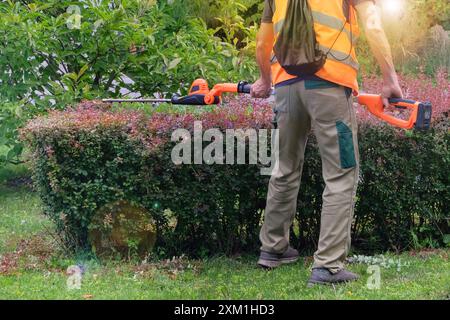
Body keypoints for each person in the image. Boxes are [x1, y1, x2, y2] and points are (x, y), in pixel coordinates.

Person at [251, 0, 403, 286]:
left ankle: (273, 249)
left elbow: (262, 42)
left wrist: (264, 79)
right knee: (342, 172)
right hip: (329, 87)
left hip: (286, 89)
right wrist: (389, 78)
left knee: (284, 167)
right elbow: (372, 24)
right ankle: (328, 265)